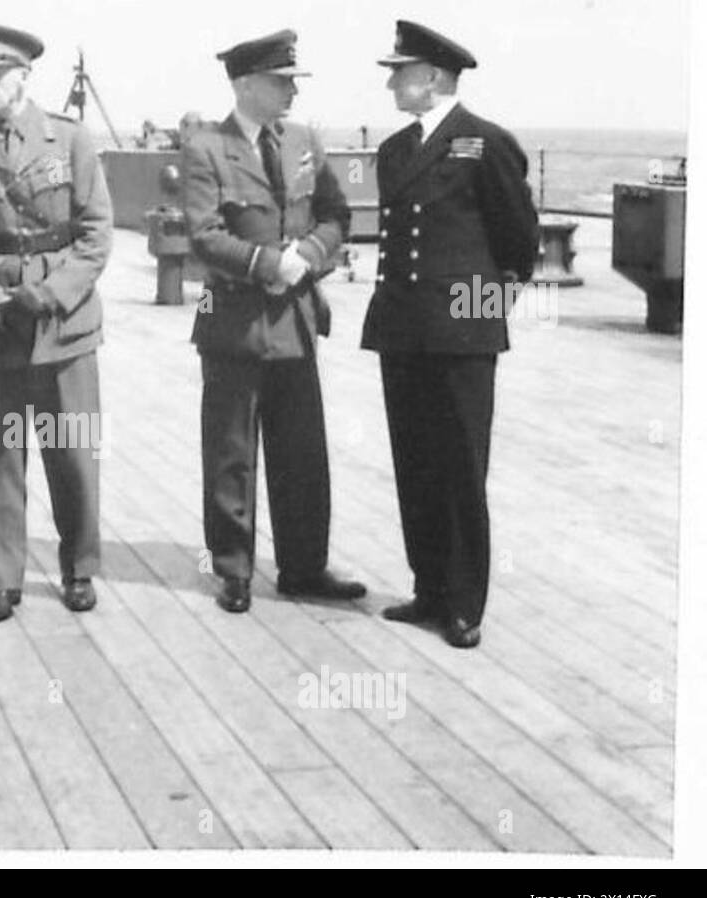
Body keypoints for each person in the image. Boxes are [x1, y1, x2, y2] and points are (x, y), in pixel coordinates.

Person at [363, 20, 538, 649]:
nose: (390, 82)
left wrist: (482, 319)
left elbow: (520, 246)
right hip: (403, 330)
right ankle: (429, 587)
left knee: (462, 466)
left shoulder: (486, 144)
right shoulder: (394, 151)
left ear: (432, 76)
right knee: (414, 464)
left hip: (462, 337)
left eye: (398, 71)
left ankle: (465, 603)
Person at [0, 23, 113, 624]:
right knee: (0, 458)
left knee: (72, 454)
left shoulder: (69, 139)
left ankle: (80, 568)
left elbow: (95, 234)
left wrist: (50, 295)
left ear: (24, 76)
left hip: (64, 328)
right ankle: (2, 579)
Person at [181, 30, 366, 614]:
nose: (290, 90)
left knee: (302, 452)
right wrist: (266, 263)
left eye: (291, 81)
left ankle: (304, 566)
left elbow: (338, 213)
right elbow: (204, 235)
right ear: (243, 85)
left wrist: (308, 255)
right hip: (234, 323)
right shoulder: (207, 148)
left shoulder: (305, 140)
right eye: (279, 81)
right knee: (231, 451)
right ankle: (234, 569)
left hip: (296, 322)